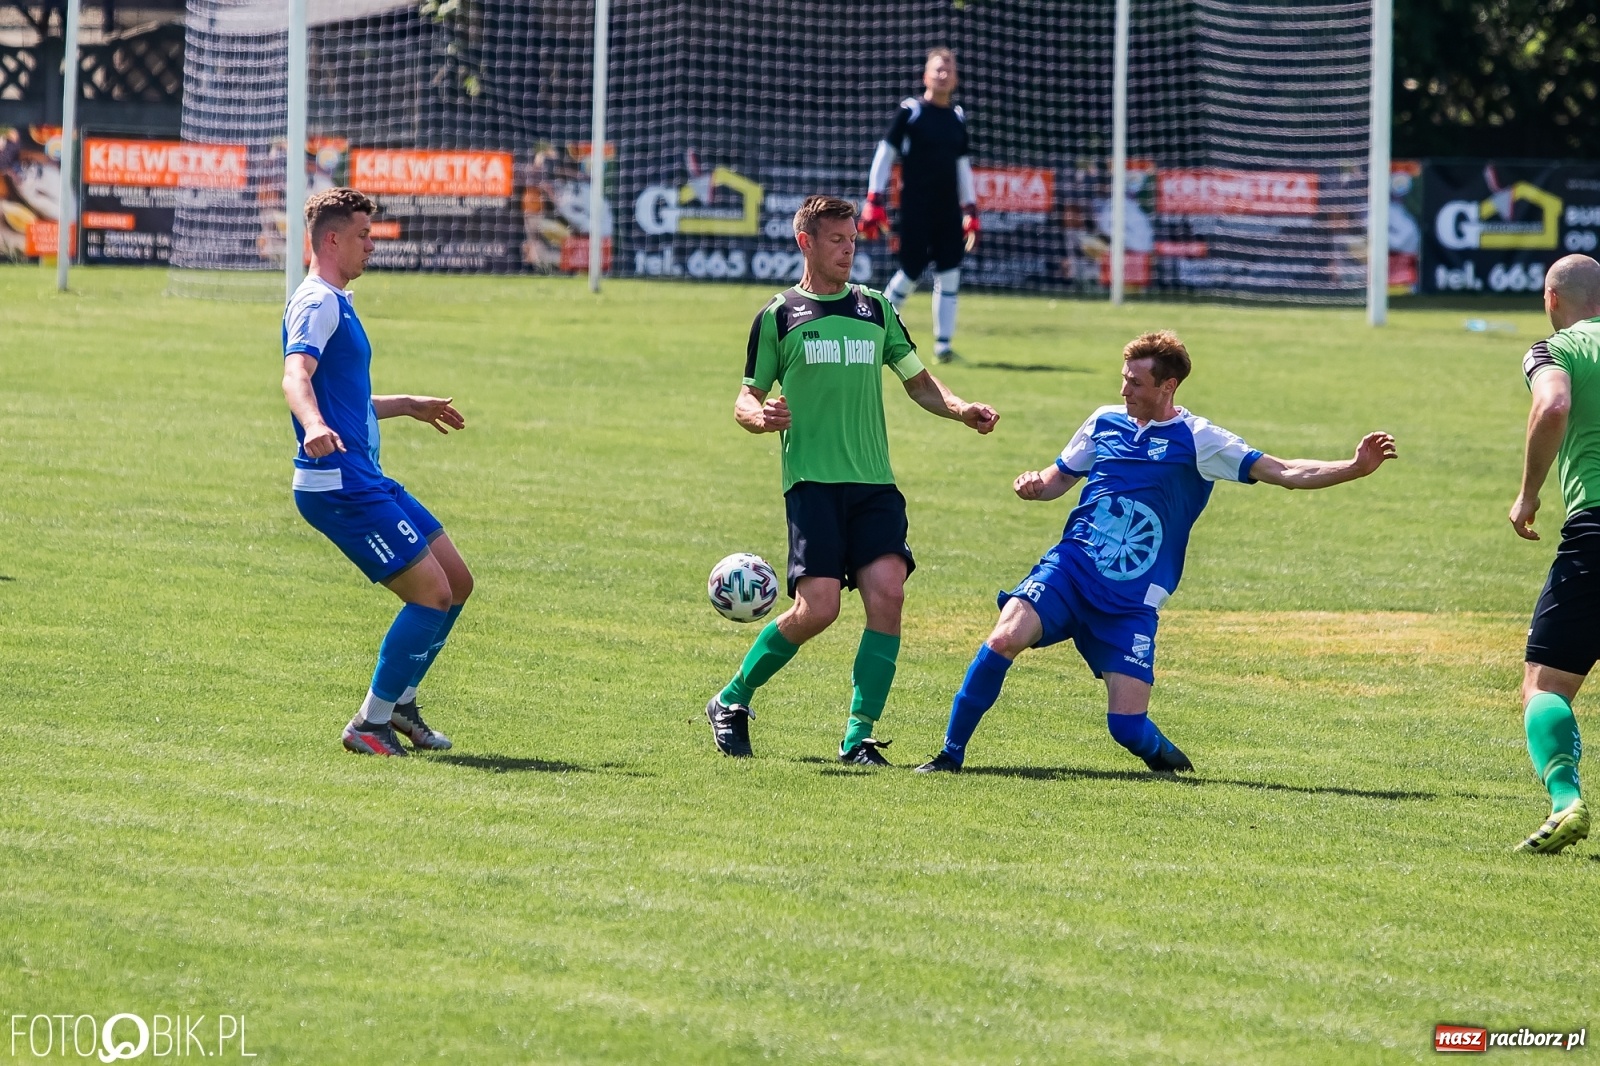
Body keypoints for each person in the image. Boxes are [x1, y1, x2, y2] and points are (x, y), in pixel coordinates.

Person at [916, 330, 1397, 774]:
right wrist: (1033, 484)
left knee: (1126, 729)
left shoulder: (1200, 440)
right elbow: (1056, 479)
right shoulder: (1103, 421)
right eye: (1123, 378)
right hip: (1071, 569)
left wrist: (1354, 467)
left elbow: (1285, 471)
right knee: (1003, 638)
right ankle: (949, 756)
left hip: (1130, 600)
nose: (1124, 390)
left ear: (1168, 387)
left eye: (1135, 382)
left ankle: (1171, 764)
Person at [706, 194, 999, 765]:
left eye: (852, 241)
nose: (848, 251)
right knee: (818, 610)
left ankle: (858, 737)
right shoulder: (780, 315)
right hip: (812, 484)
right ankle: (731, 699)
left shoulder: (876, 309)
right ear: (806, 242)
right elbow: (746, 397)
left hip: (874, 485)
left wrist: (961, 408)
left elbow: (919, 382)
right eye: (837, 240)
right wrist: (760, 418)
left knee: (888, 595)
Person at [281, 187, 473, 757]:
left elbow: (345, 398)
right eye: (363, 235)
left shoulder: (338, 300)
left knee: (456, 582)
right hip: (338, 484)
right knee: (431, 594)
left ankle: (401, 703)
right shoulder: (317, 303)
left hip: (365, 475)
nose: (372, 245)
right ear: (332, 239)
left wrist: (407, 404)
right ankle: (370, 723)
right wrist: (312, 425)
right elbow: (296, 375)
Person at [1507, 252, 1600, 853]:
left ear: (1551, 299)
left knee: (1545, 684)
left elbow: (1554, 405)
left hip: (1596, 529)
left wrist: (1528, 494)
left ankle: (1566, 800)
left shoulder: (1555, 349)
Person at [858, 48, 978, 364]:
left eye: (949, 69)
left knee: (950, 272)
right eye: (938, 69)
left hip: (948, 211)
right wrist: (873, 198)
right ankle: (873, 329)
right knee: (910, 270)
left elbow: (962, 165)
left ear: (956, 78)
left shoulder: (957, 117)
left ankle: (943, 347)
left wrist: (970, 209)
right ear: (926, 76)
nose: (943, 74)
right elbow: (885, 154)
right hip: (915, 208)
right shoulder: (910, 112)